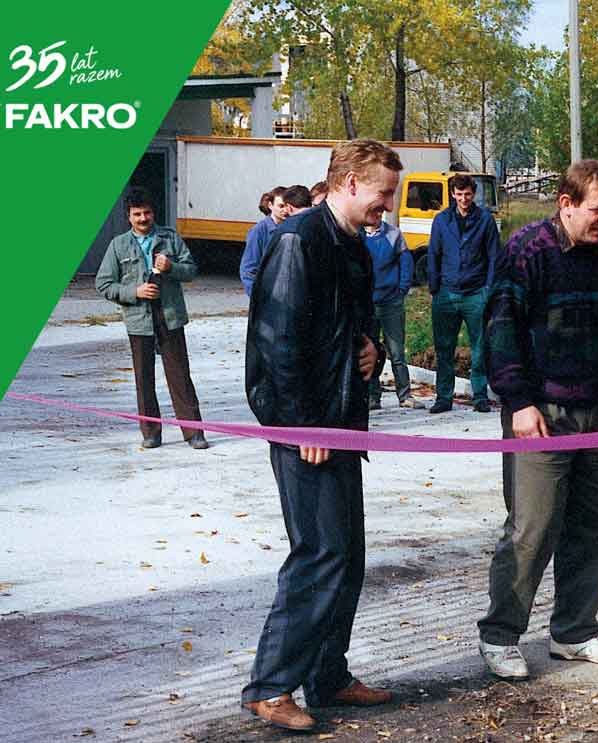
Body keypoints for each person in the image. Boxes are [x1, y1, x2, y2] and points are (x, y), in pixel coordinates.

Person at [477, 159, 598, 680]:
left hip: (596, 410)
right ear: (567, 203)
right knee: (532, 530)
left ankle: (574, 632)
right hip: (540, 413)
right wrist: (518, 401)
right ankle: (500, 635)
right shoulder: (528, 250)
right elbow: (500, 328)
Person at [241, 140, 398, 732]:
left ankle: (328, 675)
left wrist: (372, 350)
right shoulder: (297, 240)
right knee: (319, 553)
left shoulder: (353, 243)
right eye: (383, 193)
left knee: (347, 555)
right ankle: (270, 686)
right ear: (351, 183)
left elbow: (352, 324)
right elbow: (276, 340)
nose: (388, 205)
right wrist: (300, 422)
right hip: (305, 428)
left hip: (339, 422)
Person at [95, 188, 207, 450]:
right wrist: (134, 292)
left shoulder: (170, 237)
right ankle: (151, 432)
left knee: (180, 375)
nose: (143, 218)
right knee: (143, 378)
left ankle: (194, 432)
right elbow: (103, 284)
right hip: (138, 318)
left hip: (170, 316)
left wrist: (171, 268)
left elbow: (191, 270)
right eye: (137, 214)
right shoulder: (118, 245)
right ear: (128, 217)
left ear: (153, 213)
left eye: (147, 213)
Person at [427, 173, 500, 414]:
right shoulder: (441, 220)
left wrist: (488, 289)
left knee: (480, 348)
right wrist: (434, 288)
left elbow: (494, 257)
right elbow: (434, 254)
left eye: (467, 194)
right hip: (446, 294)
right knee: (444, 348)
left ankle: (480, 396)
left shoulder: (485, 220)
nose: (463, 199)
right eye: (459, 194)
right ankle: (443, 398)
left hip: (476, 294)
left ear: (474, 194)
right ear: (452, 194)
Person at [364, 214, 424, 410]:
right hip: (367, 304)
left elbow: (406, 262)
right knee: (370, 351)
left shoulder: (393, 234)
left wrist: (402, 289)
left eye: (378, 211)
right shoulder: (357, 235)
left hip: (391, 302)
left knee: (397, 352)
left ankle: (404, 395)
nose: (374, 215)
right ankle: (373, 397)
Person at [240, 186, 286, 296]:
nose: (285, 210)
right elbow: (248, 269)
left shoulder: (290, 227)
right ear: (270, 205)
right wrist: (257, 296)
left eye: (287, 206)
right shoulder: (258, 231)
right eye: (281, 206)